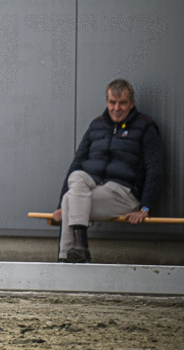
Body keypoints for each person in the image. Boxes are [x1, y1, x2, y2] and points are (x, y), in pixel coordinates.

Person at [52, 79, 163, 263]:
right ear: (107, 102)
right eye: (112, 102)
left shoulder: (145, 127)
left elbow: (155, 169)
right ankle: (80, 248)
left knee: (69, 201)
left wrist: (145, 207)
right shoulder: (96, 125)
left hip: (123, 193)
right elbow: (77, 162)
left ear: (132, 104)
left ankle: (66, 258)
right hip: (92, 187)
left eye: (122, 103)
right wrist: (58, 207)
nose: (116, 108)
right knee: (76, 177)